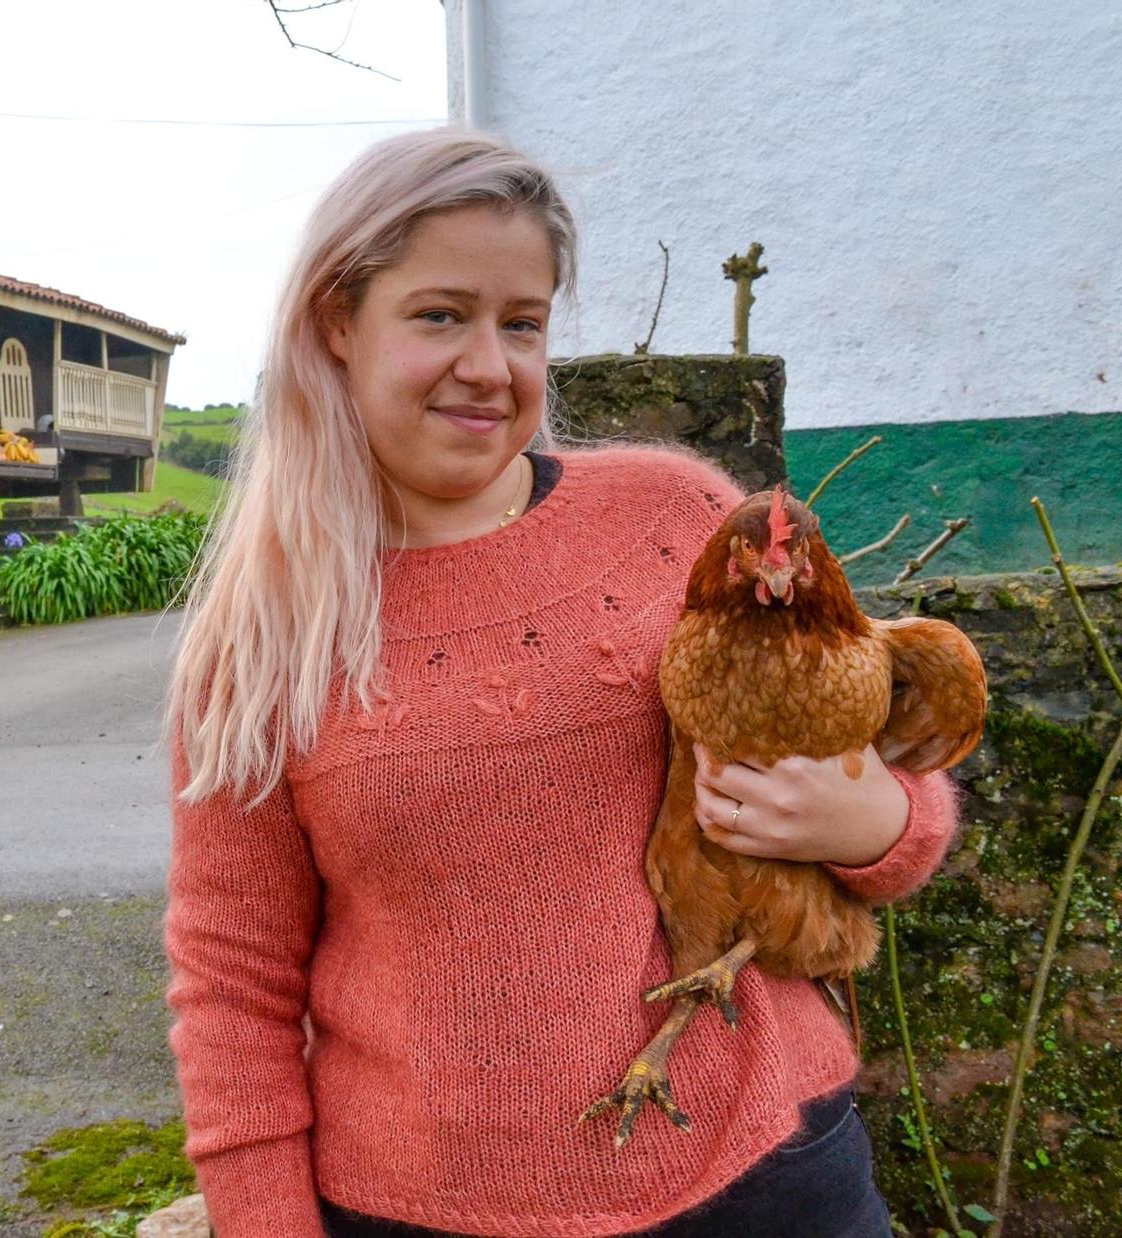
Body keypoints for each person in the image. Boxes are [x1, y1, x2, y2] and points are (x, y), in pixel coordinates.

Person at [159, 129, 958, 1238]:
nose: (488, 363)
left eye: (520, 322)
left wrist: (877, 819)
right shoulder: (259, 641)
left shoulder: (671, 516)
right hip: (424, 1207)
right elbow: (230, 979)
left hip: (766, 1172)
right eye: (439, 314)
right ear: (337, 323)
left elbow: (873, 745)